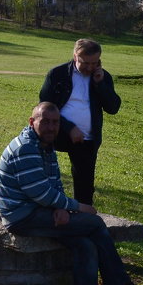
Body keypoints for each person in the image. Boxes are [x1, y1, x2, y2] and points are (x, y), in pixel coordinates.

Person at [0, 101, 143, 285]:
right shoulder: (26, 148)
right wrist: (77, 207)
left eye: (55, 122)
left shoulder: (45, 145)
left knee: (85, 244)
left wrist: (61, 208)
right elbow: (40, 193)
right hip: (22, 217)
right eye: (45, 122)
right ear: (32, 122)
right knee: (93, 222)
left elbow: (54, 183)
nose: (51, 127)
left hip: (40, 210)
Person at [39, 38, 120, 206]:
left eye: (94, 62)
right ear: (75, 56)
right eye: (85, 63)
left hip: (87, 140)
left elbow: (113, 108)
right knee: (43, 175)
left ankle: (82, 221)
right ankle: (45, 210)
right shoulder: (57, 74)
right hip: (54, 133)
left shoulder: (102, 77)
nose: (90, 67)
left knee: (84, 189)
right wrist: (69, 128)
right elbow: (44, 107)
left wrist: (100, 84)